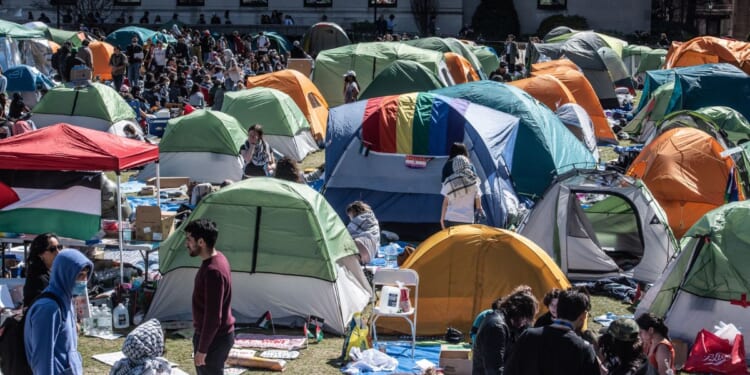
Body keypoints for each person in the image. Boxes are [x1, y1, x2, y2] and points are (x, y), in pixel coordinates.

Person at [24, 249, 93, 375]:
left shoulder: (66, 299)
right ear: (64, 274)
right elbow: (42, 359)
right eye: (79, 275)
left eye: (86, 275)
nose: (84, 280)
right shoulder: (48, 308)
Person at [504, 288, 600, 375]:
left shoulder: (528, 335)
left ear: (557, 308)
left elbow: (509, 371)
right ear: (583, 316)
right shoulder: (584, 350)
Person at [185, 219, 235, 375]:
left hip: (215, 339)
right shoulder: (217, 259)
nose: (186, 244)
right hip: (215, 337)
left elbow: (214, 317)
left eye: (189, 240)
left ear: (201, 242)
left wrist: (202, 349)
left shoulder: (214, 271)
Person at [472, 285, 539, 375]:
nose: (525, 323)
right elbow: (494, 369)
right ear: (518, 312)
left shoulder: (506, 324)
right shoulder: (497, 327)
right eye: (525, 318)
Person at [440, 155, 483, 229]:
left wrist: (442, 219)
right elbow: (478, 201)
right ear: (467, 164)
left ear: (455, 166)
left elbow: (445, 203)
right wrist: (479, 213)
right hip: (468, 220)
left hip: (450, 219)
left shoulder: (449, 181)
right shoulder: (474, 180)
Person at [22, 233, 62, 309]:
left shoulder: (51, 273)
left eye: (59, 247)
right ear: (40, 254)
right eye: (52, 249)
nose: (58, 252)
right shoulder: (38, 278)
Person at [346, 201, 381, 265]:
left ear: (353, 213)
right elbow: (377, 239)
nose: (350, 218)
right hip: (372, 253)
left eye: (349, 215)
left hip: (362, 248)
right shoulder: (373, 219)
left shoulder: (355, 222)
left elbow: (346, 235)